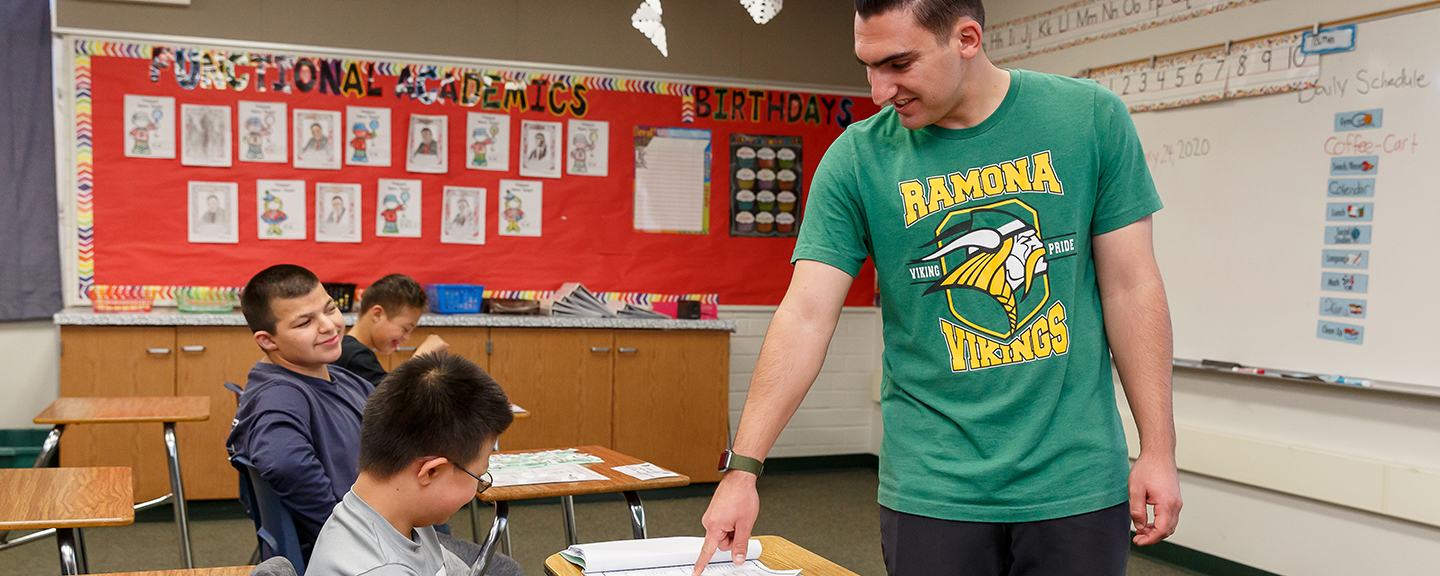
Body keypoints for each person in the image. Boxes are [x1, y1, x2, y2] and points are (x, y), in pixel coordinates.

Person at [693, 1, 1181, 575]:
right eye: (868, 66)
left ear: (967, 39)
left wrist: (1158, 449)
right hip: (933, 486)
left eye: (898, 64)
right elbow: (805, 315)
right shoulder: (857, 159)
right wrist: (743, 468)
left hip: (1072, 478)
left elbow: (1131, 287)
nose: (879, 90)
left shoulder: (1087, 120)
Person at [306, 352, 523, 576]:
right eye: (478, 478)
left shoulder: (400, 517)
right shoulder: (379, 568)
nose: (475, 490)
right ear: (431, 472)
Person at [227, 264, 373, 563]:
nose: (329, 326)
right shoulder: (280, 396)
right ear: (268, 340)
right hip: (357, 553)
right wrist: (341, 534)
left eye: (329, 309)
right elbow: (283, 462)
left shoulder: (345, 379)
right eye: (305, 323)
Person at [332, 274, 449, 386]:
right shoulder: (356, 355)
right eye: (405, 329)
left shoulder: (346, 347)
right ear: (377, 315)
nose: (407, 338)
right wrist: (420, 359)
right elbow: (391, 400)